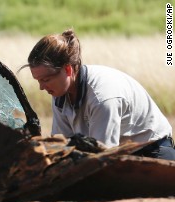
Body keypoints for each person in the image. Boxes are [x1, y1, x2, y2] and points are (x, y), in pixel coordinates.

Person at [24, 28, 175, 160]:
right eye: (38, 80)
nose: (41, 87)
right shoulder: (59, 93)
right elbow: (62, 146)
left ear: (68, 70)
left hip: (152, 151)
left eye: (46, 79)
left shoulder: (102, 98)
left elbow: (104, 155)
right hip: (119, 155)